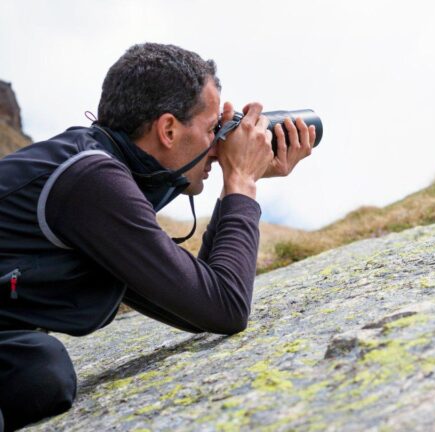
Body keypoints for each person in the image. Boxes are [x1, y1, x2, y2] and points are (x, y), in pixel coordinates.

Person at [0, 43, 315, 431]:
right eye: (211, 129)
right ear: (168, 129)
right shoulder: (91, 181)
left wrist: (237, 184)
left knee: (34, 368)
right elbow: (225, 307)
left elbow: (195, 298)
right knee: (38, 371)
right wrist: (242, 180)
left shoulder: (96, 167)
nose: (218, 148)